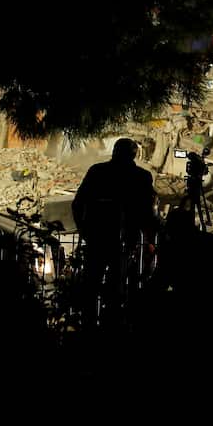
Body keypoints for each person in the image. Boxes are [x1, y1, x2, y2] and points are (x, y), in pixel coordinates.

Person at [71, 137, 158, 327]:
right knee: (116, 286)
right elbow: (146, 211)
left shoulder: (98, 172)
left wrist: (84, 229)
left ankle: (88, 325)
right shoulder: (141, 177)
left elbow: (78, 203)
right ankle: (112, 325)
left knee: (92, 284)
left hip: (99, 238)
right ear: (134, 154)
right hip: (122, 239)